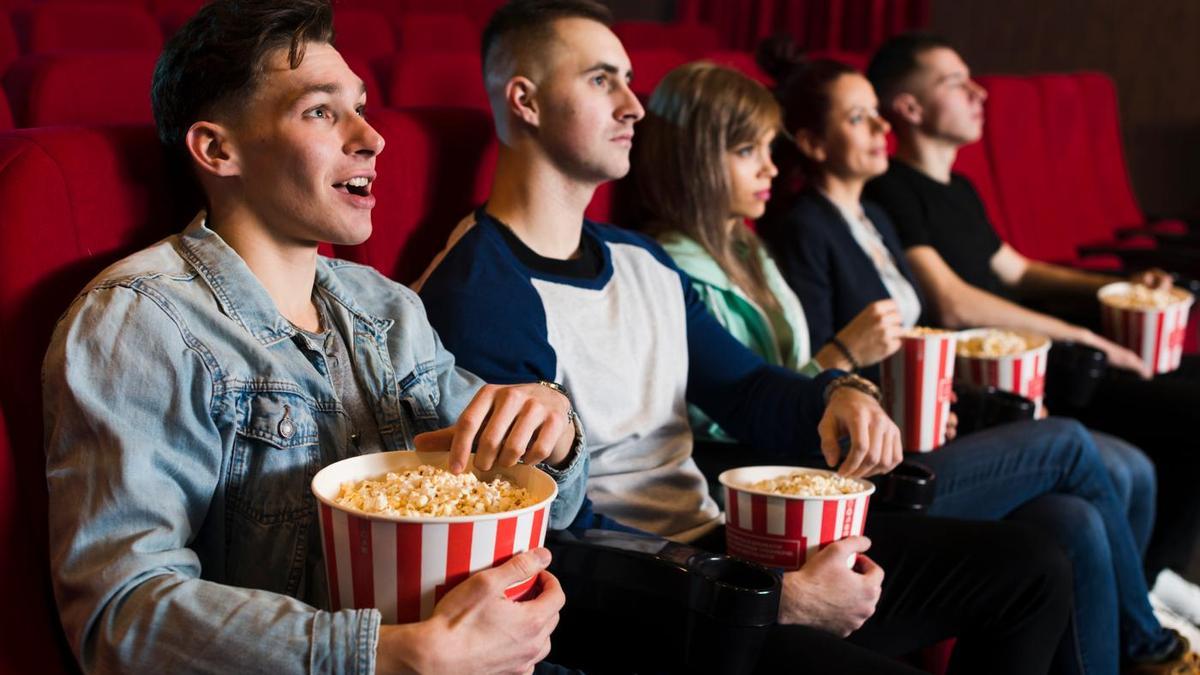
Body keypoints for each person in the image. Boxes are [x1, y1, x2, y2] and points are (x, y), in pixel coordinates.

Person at [418, 2, 1074, 673]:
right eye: (600, 80)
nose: (633, 107)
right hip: (645, 604)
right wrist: (768, 596)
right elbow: (545, 540)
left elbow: (746, 386)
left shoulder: (641, 259)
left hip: (718, 547)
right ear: (524, 101)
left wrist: (840, 393)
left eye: (627, 79)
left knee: (1034, 564)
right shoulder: (476, 289)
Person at [41, 1, 591, 672]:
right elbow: (121, 614)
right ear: (219, 149)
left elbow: (548, 501)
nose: (372, 137)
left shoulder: (387, 306)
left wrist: (552, 426)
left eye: (360, 105)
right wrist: (392, 655)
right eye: (321, 112)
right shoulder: (141, 321)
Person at [635, 58, 1195, 675]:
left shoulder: (749, 246)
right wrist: (847, 366)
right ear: (695, 161)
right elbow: (737, 406)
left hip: (856, 451)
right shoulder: (673, 265)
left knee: (1070, 518)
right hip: (807, 483)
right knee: (1068, 445)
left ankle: (1132, 645)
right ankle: (1151, 648)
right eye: (749, 151)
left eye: (770, 148)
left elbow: (793, 375)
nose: (772, 165)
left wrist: (884, 395)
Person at [862, 32, 1200, 597]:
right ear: (910, 107)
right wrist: (1088, 336)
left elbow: (1015, 269)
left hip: (1040, 349)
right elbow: (953, 300)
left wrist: (1114, 287)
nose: (980, 94)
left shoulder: (960, 187)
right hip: (997, 377)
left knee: (1188, 382)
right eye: (954, 82)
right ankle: (1148, 590)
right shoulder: (893, 190)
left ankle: (1150, 588)